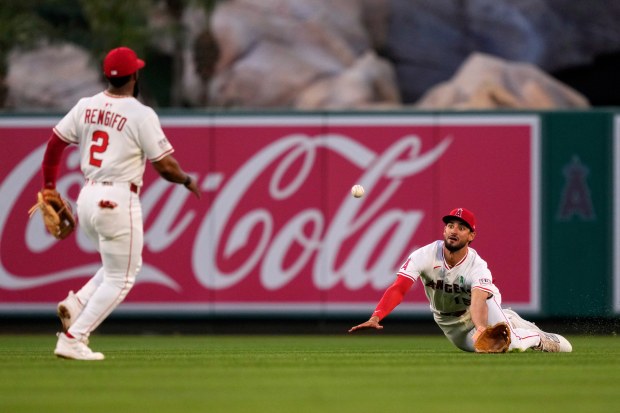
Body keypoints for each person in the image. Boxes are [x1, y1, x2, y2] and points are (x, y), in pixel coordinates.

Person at [39, 46, 201, 360]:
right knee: (124, 275)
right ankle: (74, 339)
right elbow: (165, 166)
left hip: (86, 199)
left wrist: (48, 185)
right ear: (135, 75)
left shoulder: (86, 106)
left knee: (115, 266)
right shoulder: (141, 114)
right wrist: (186, 179)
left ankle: (78, 303)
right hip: (116, 199)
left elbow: (55, 143)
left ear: (107, 76)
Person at [349, 207, 572, 353]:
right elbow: (399, 288)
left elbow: (478, 301)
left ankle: (540, 339)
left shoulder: (477, 266)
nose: (454, 231)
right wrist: (376, 315)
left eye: (462, 227)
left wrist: (481, 328)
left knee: (511, 344)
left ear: (471, 235)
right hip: (449, 322)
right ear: (444, 229)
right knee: (487, 350)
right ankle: (510, 320)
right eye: (450, 225)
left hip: (480, 306)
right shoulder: (423, 256)